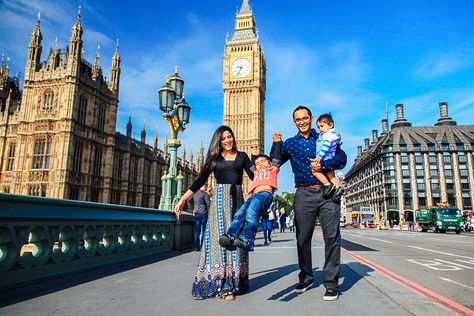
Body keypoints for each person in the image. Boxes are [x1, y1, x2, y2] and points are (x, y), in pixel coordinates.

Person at [271, 105, 347, 301]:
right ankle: (306, 277)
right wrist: (276, 143)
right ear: (294, 122)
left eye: (305, 118)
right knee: (302, 238)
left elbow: (342, 158)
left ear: (311, 118)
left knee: (332, 237)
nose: (302, 122)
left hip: (327, 191)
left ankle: (331, 284)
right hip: (303, 193)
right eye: (298, 119)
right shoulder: (290, 143)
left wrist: (324, 165)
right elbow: (275, 162)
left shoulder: (323, 135)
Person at [175, 126, 254, 301]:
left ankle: (234, 283)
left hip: (238, 203)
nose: (228, 140)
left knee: (236, 241)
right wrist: (183, 199)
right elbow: (199, 181)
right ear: (218, 141)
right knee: (218, 243)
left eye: (230, 137)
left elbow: (256, 175)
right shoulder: (215, 159)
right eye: (224, 138)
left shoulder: (242, 157)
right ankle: (219, 284)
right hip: (219, 203)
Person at [219, 143, 281, 251]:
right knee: (240, 214)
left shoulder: (272, 169)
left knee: (251, 212)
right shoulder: (256, 172)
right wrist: (254, 155)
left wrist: (277, 143)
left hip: (265, 194)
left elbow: (277, 157)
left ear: (270, 163)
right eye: (258, 163)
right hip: (254, 195)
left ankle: (249, 238)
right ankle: (231, 235)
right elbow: (251, 165)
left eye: (263, 162)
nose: (260, 164)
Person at [313, 113, 344, 199]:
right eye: (318, 127)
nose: (320, 129)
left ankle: (327, 185)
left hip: (325, 158)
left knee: (314, 171)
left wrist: (319, 157)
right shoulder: (334, 135)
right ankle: (338, 187)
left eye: (322, 126)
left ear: (331, 125)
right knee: (331, 175)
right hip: (330, 158)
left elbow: (325, 146)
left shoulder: (327, 135)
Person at [188, 184, 210, 251]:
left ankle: (196, 247)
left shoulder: (194, 193)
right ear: (203, 186)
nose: (206, 188)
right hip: (203, 214)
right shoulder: (205, 194)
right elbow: (208, 204)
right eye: (205, 186)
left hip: (197, 213)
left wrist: (193, 208)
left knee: (197, 231)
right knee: (204, 230)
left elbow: (189, 201)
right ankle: (203, 246)